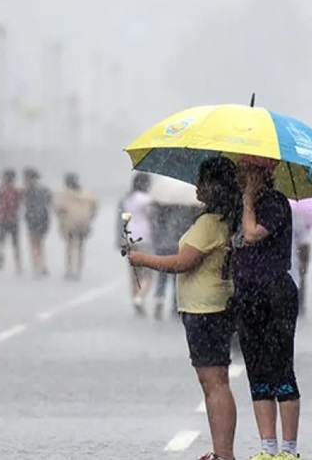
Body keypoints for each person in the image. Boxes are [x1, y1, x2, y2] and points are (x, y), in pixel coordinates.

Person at [128, 157, 240, 460]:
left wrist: (143, 260)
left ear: (215, 187)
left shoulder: (209, 224)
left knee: (214, 383)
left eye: (202, 181)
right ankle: (221, 452)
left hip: (206, 309)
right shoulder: (223, 219)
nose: (198, 187)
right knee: (215, 382)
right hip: (212, 306)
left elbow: (182, 263)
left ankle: (224, 454)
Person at [230, 155, 301, 460]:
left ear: (259, 175)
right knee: (257, 372)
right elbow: (238, 241)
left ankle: (289, 449)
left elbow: (252, 234)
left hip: (275, 294)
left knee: (281, 370)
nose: (239, 177)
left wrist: (247, 201)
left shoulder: (274, 203)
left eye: (244, 172)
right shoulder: (240, 205)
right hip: (248, 295)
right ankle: (267, 447)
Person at [119, 173, 155, 315]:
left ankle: (134, 297)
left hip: (129, 237)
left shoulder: (128, 199)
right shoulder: (147, 200)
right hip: (144, 237)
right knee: (148, 273)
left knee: (134, 271)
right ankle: (140, 298)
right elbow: (152, 217)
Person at [54, 172, 98, 281]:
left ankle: (69, 269)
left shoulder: (64, 194)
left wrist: (62, 219)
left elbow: (58, 209)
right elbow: (94, 207)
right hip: (83, 223)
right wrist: (89, 218)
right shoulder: (86, 193)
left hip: (70, 223)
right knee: (81, 247)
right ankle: (78, 270)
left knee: (69, 247)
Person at [23, 168, 53, 278]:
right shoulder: (44, 190)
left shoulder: (28, 191)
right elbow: (49, 202)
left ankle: (37, 265)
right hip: (43, 220)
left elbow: (26, 205)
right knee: (40, 243)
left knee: (34, 244)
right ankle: (41, 264)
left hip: (33, 220)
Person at [0, 169, 24, 273]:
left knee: (1, 241)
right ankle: (18, 263)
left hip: (2, 218)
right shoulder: (17, 191)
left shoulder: (0, 191)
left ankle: (0, 257)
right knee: (15, 243)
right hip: (13, 219)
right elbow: (20, 203)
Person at [289, 206, 311, 318]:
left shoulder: (296, 217)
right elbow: (305, 243)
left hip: (291, 269)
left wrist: (304, 263)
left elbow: (304, 243)